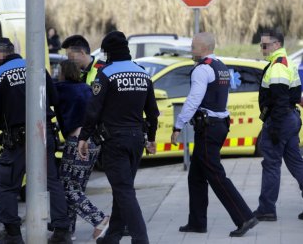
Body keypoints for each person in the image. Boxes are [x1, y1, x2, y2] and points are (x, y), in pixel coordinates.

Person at [0, 37, 72, 244]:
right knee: (51, 181)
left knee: (7, 186)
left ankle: (13, 234)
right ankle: (61, 230)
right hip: (44, 134)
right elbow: (55, 99)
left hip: (17, 140)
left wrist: (5, 127)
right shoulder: (37, 68)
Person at [170, 32, 258, 237]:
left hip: (209, 128)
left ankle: (244, 217)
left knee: (215, 175)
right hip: (218, 124)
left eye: (193, 47)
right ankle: (197, 222)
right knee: (196, 176)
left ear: (204, 48)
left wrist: (178, 125)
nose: (191, 50)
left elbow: (193, 100)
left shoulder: (202, 69)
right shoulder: (221, 66)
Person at [78, 31, 159, 244]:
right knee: (121, 189)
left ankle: (141, 239)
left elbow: (93, 109)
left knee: (124, 191)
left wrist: (83, 137)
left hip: (114, 141)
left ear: (108, 51)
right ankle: (112, 237)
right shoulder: (142, 73)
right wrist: (151, 138)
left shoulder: (105, 73)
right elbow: (153, 111)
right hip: (137, 140)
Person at [55, 60, 109, 240]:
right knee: (77, 187)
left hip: (76, 142)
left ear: (63, 72)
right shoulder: (86, 88)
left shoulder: (62, 89)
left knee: (66, 188)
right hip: (94, 142)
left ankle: (100, 219)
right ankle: (67, 232)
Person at [253, 29, 303, 222]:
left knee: (271, 164)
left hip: (280, 119)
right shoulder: (286, 62)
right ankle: (266, 208)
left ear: (276, 45)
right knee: (296, 162)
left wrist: (274, 128)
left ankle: (266, 209)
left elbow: (280, 100)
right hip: (289, 118)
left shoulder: (278, 67)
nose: (262, 48)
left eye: (264, 45)